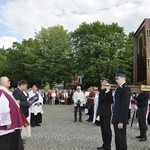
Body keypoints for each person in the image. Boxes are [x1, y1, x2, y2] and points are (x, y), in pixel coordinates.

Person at [0, 76, 29, 150]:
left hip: (12, 123)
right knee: (6, 143)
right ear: (2, 83)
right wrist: (7, 121)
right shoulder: (2, 92)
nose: (9, 82)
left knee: (12, 142)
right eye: (8, 81)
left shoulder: (5, 91)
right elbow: (3, 107)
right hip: (7, 124)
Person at [112, 72, 131, 150]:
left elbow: (124, 107)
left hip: (120, 119)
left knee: (121, 139)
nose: (116, 80)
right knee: (117, 139)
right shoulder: (119, 88)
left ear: (123, 78)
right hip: (116, 117)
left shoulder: (125, 89)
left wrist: (121, 121)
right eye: (116, 79)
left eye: (118, 78)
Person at [97, 77, 113, 150]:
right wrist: (103, 90)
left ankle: (107, 146)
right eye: (101, 81)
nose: (101, 83)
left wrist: (107, 90)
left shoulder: (109, 91)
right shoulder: (102, 90)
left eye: (102, 81)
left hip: (106, 113)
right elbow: (101, 100)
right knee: (103, 130)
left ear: (106, 82)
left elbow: (110, 101)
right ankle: (104, 144)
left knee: (107, 130)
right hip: (102, 112)